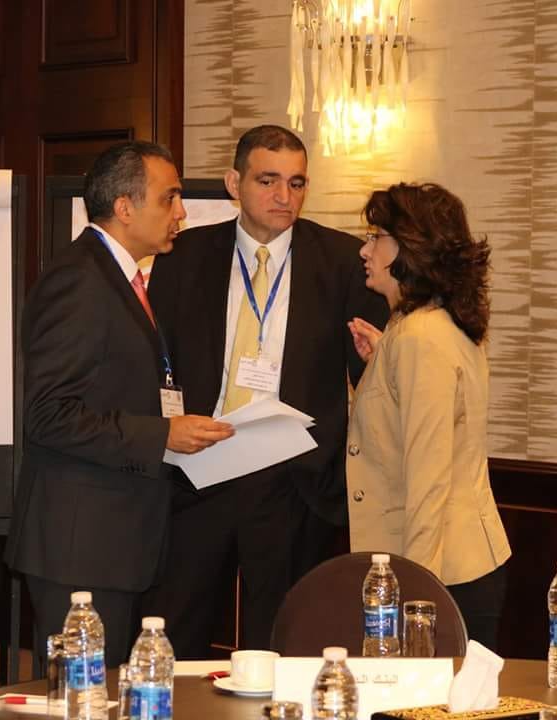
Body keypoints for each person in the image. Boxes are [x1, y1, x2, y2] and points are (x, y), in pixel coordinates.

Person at [142, 125, 390, 657]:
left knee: (281, 641)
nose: (284, 196)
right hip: (201, 469)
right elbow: (156, 360)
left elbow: (369, 378)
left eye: (296, 183)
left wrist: (383, 361)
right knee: (176, 633)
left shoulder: (342, 260)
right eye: (268, 180)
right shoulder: (183, 255)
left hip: (293, 479)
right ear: (234, 184)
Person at [5, 141, 234, 667]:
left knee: (103, 694)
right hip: (80, 544)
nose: (182, 212)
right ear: (125, 207)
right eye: (169, 198)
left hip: (113, 539)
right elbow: (47, 414)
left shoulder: (121, 277)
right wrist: (163, 435)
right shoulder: (79, 280)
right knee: (80, 695)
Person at [346, 182, 512, 651]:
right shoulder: (422, 326)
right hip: (451, 565)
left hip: (443, 574)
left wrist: (414, 597)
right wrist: (385, 362)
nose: (365, 250)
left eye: (376, 237)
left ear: (409, 247)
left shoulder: (419, 338)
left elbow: (429, 477)